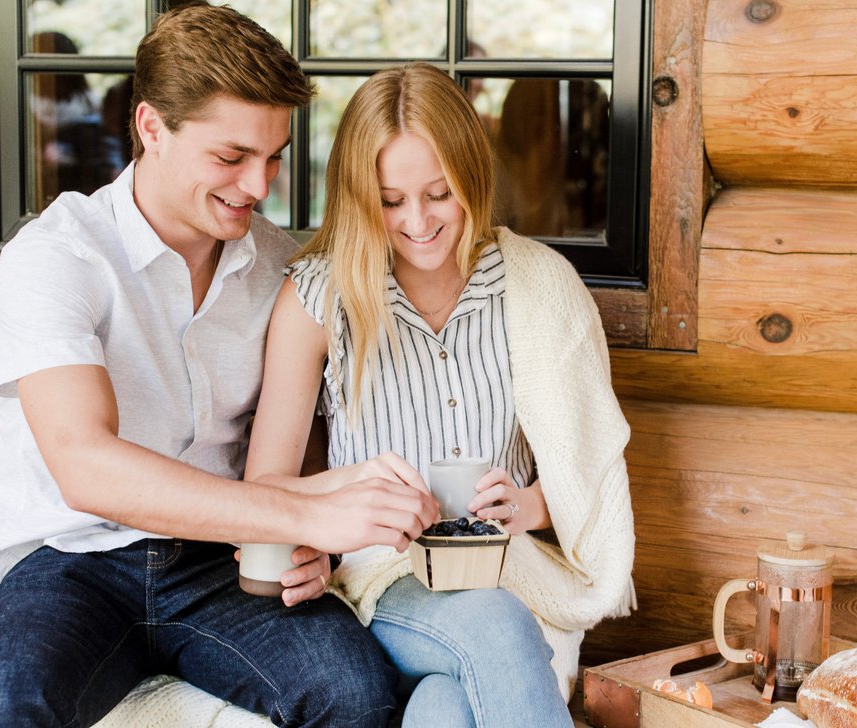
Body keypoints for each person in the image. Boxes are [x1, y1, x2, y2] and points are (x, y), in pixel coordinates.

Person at [0, 5, 438, 727]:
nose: (259, 184)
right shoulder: (56, 256)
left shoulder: (284, 269)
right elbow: (88, 466)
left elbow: (305, 436)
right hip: (68, 561)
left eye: (274, 156)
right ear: (151, 128)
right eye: (231, 158)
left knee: (354, 694)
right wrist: (305, 512)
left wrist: (310, 548)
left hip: (221, 564)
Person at [245, 63, 637, 728]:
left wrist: (528, 505)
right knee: (491, 624)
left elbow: (588, 482)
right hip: (385, 587)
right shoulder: (317, 296)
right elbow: (266, 489)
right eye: (391, 200)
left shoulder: (539, 285)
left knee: (441, 710)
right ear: (359, 195)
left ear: (471, 177)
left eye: (439, 193)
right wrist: (353, 500)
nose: (418, 221)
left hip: (518, 576)